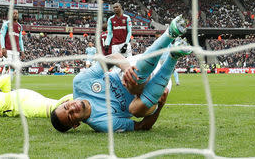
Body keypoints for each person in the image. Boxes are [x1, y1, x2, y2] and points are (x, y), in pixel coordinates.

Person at [50, 15, 188, 132]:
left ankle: (170, 33)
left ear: (67, 101)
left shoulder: (80, 83)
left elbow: (113, 58)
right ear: (75, 125)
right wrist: (160, 106)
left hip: (135, 67)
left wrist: (126, 68)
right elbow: (141, 126)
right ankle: (173, 56)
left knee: (132, 83)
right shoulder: (102, 123)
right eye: (70, 116)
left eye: (67, 107)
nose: (72, 109)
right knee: (135, 109)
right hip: (153, 92)